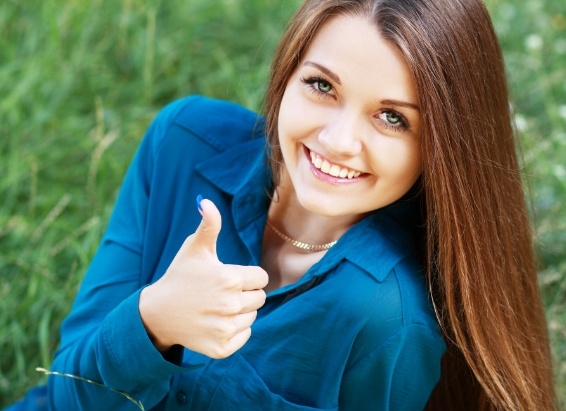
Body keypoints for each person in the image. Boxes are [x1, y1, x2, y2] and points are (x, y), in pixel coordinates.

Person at [5, 0, 557, 410]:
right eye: (322, 86)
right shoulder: (182, 142)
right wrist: (154, 322)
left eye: (393, 118)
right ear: (287, 74)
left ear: (441, 148)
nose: (339, 140)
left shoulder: (386, 317)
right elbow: (64, 392)